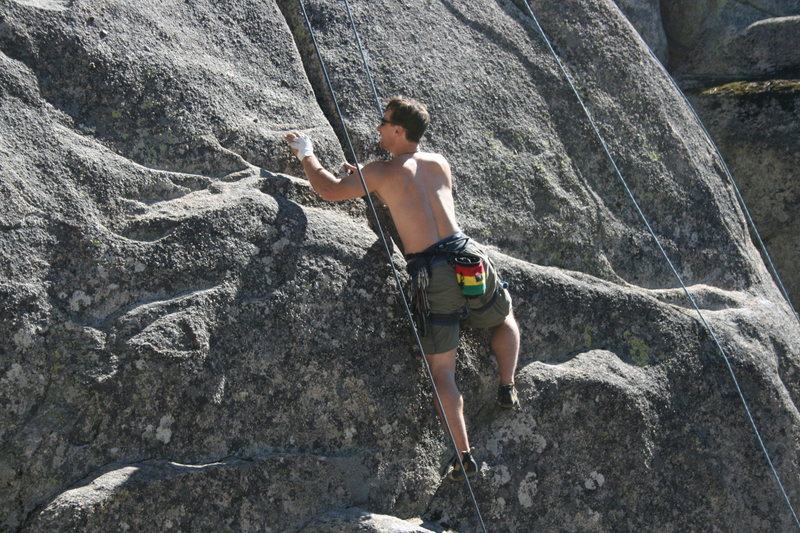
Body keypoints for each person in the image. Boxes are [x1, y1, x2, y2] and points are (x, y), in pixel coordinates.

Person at [285, 96, 520, 481]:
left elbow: (328, 190)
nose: (378, 127)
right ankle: (507, 385)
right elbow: (412, 186)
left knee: (443, 370)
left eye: (384, 122)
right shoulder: (438, 162)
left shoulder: (380, 171)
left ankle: (463, 455)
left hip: (433, 269)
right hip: (468, 256)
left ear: (398, 130)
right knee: (503, 316)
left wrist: (306, 154)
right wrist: (371, 175)